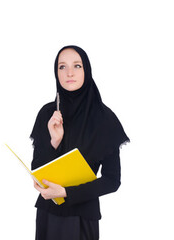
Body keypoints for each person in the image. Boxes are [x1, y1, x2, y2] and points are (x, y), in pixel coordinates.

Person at [30, 45, 129, 239]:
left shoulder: (104, 119)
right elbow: (37, 169)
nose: (69, 73)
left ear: (87, 70)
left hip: (82, 218)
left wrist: (66, 192)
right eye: (62, 67)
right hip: (47, 214)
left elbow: (112, 181)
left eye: (77, 66)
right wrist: (54, 141)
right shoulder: (47, 114)